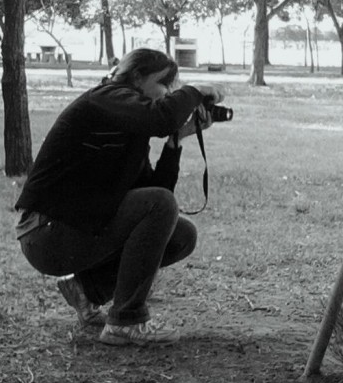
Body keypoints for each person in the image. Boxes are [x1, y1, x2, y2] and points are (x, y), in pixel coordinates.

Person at [15, 47, 224, 346]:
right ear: (137, 77)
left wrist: (175, 142)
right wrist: (195, 91)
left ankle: (86, 291)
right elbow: (160, 119)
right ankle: (125, 321)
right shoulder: (106, 98)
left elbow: (156, 193)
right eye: (164, 84)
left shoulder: (129, 121)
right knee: (159, 205)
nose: (167, 94)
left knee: (181, 235)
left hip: (69, 228)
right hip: (46, 232)